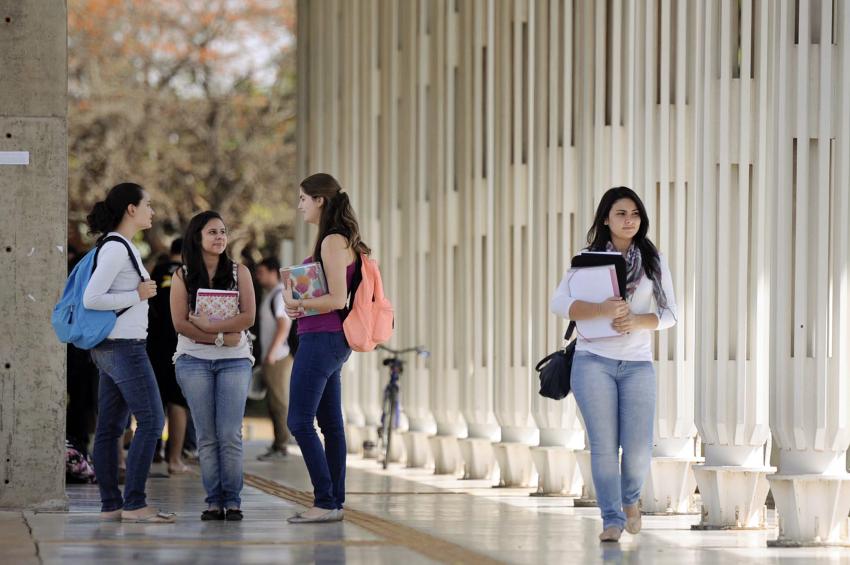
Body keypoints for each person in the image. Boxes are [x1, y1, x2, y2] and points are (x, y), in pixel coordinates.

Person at [550, 186, 677, 543]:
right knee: (603, 446)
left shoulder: (653, 261)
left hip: (637, 364)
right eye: (621, 213)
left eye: (635, 214)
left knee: (637, 448)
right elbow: (559, 303)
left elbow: (670, 314)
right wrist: (601, 310)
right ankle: (611, 518)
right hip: (592, 362)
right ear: (606, 218)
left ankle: (630, 499)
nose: (629, 220)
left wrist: (636, 320)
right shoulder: (588, 260)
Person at [82, 182, 175, 523]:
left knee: (109, 427)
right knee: (152, 420)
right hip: (124, 348)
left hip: (114, 346)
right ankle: (135, 503)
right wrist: (137, 295)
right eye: (147, 205)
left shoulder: (117, 245)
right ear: (131, 209)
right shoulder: (117, 249)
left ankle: (112, 506)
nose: (152, 211)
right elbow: (92, 298)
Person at [284, 173, 367, 524]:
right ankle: (333, 503)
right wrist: (299, 305)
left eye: (303, 198)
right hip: (328, 338)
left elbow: (336, 299)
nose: (300, 205)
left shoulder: (332, 241)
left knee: (298, 421)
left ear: (320, 200)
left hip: (322, 339)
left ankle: (325, 500)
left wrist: (298, 303)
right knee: (330, 424)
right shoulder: (336, 238)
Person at [171, 211, 256, 521]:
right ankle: (212, 501)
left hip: (235, 362)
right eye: (212, 232)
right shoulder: (182, 275)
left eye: (223, 232)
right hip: (193, 361)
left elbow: (248, 317)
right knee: (206, 435)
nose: (220, 237)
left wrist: (210, 327)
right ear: (197, 237)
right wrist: (220, 336)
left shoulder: (239, 272)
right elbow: (180, 323)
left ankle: (232, 500)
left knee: (229, 433)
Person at [147, 237, 192, 475]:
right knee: (178, 402)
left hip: (153, 345)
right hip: (180, 344)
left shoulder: (156, 270)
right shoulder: (190, 273)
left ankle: (150, 453)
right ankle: (174, 460)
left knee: (153, 401)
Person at [255, 257, 294, 461]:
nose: (258, 277)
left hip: (278, 356)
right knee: (272, 401)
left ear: (273, 272)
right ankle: (278, 443)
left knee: (278, 401)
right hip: (272, 356)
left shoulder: (279, 295)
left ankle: (282, 445)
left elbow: (284, 326)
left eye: (261, 272)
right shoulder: (270, 295)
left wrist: (271, 352)